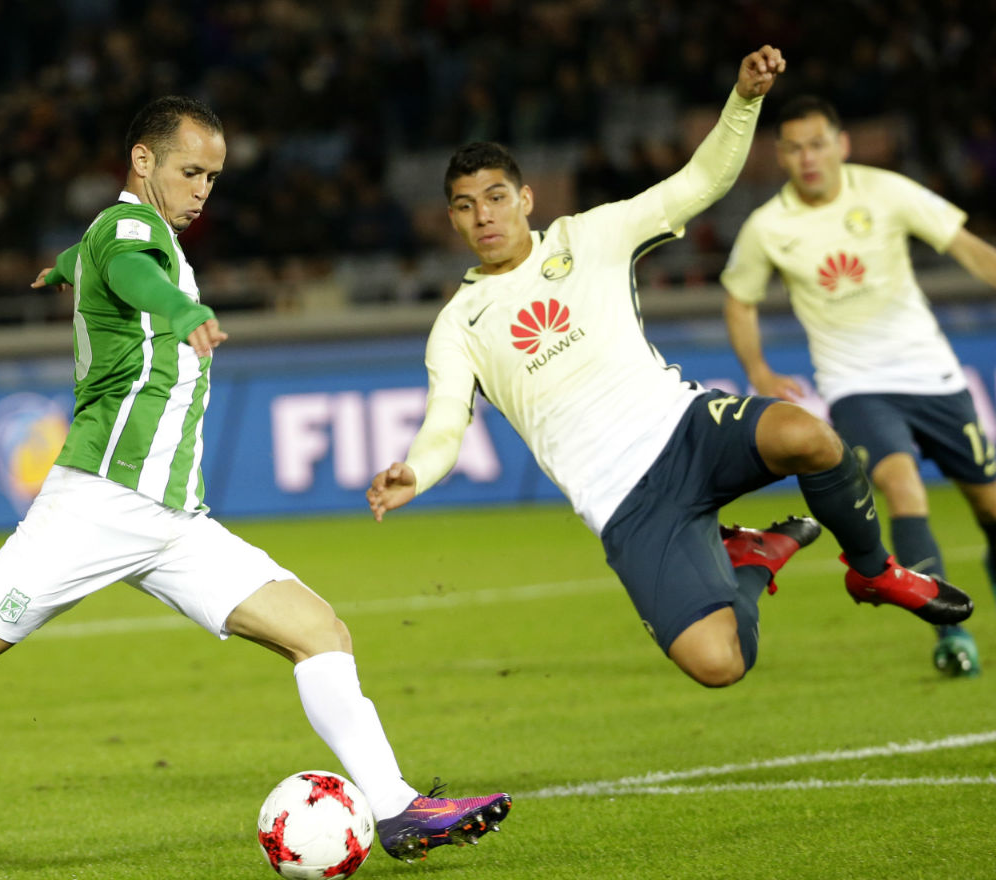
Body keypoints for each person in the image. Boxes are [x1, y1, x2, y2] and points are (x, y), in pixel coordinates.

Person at [0, 96, 512, 863]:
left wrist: (62, 267)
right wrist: (174, 309)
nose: (203, 189)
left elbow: (99, 259)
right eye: (191, 170)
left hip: (172, 519)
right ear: (143, 160)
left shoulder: (120, 236)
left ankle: (398, 808)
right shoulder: (132, 230)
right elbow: (132, 270)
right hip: (98, 505)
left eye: (213, 176)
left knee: (318, 631)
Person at [366, 47, 973, 689]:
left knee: (811, 437)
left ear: (526, 198)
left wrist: (744, 100)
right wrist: (417, 471)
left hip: (685, 428)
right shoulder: (459, 323)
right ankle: (753, 558)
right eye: (465, 205)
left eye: (495, 197)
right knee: (720, 665)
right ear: (452, 219)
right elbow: (443, 426)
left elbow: (701, 181)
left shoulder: (591, 236)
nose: (483, 215)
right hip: (623, 501)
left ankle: (875, 571)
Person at [721, 95, 996, 679]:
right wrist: (759, 371)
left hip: (935, 375)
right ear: (780, 156)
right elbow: (739, 301)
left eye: (817, 143)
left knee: (989, 505)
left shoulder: (887, 191)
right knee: (901, 486)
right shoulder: (769, 226)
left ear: (841, 144)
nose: (807, 158)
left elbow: (965, 245)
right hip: (855, 386)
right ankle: (950, 634)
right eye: (793, 148)